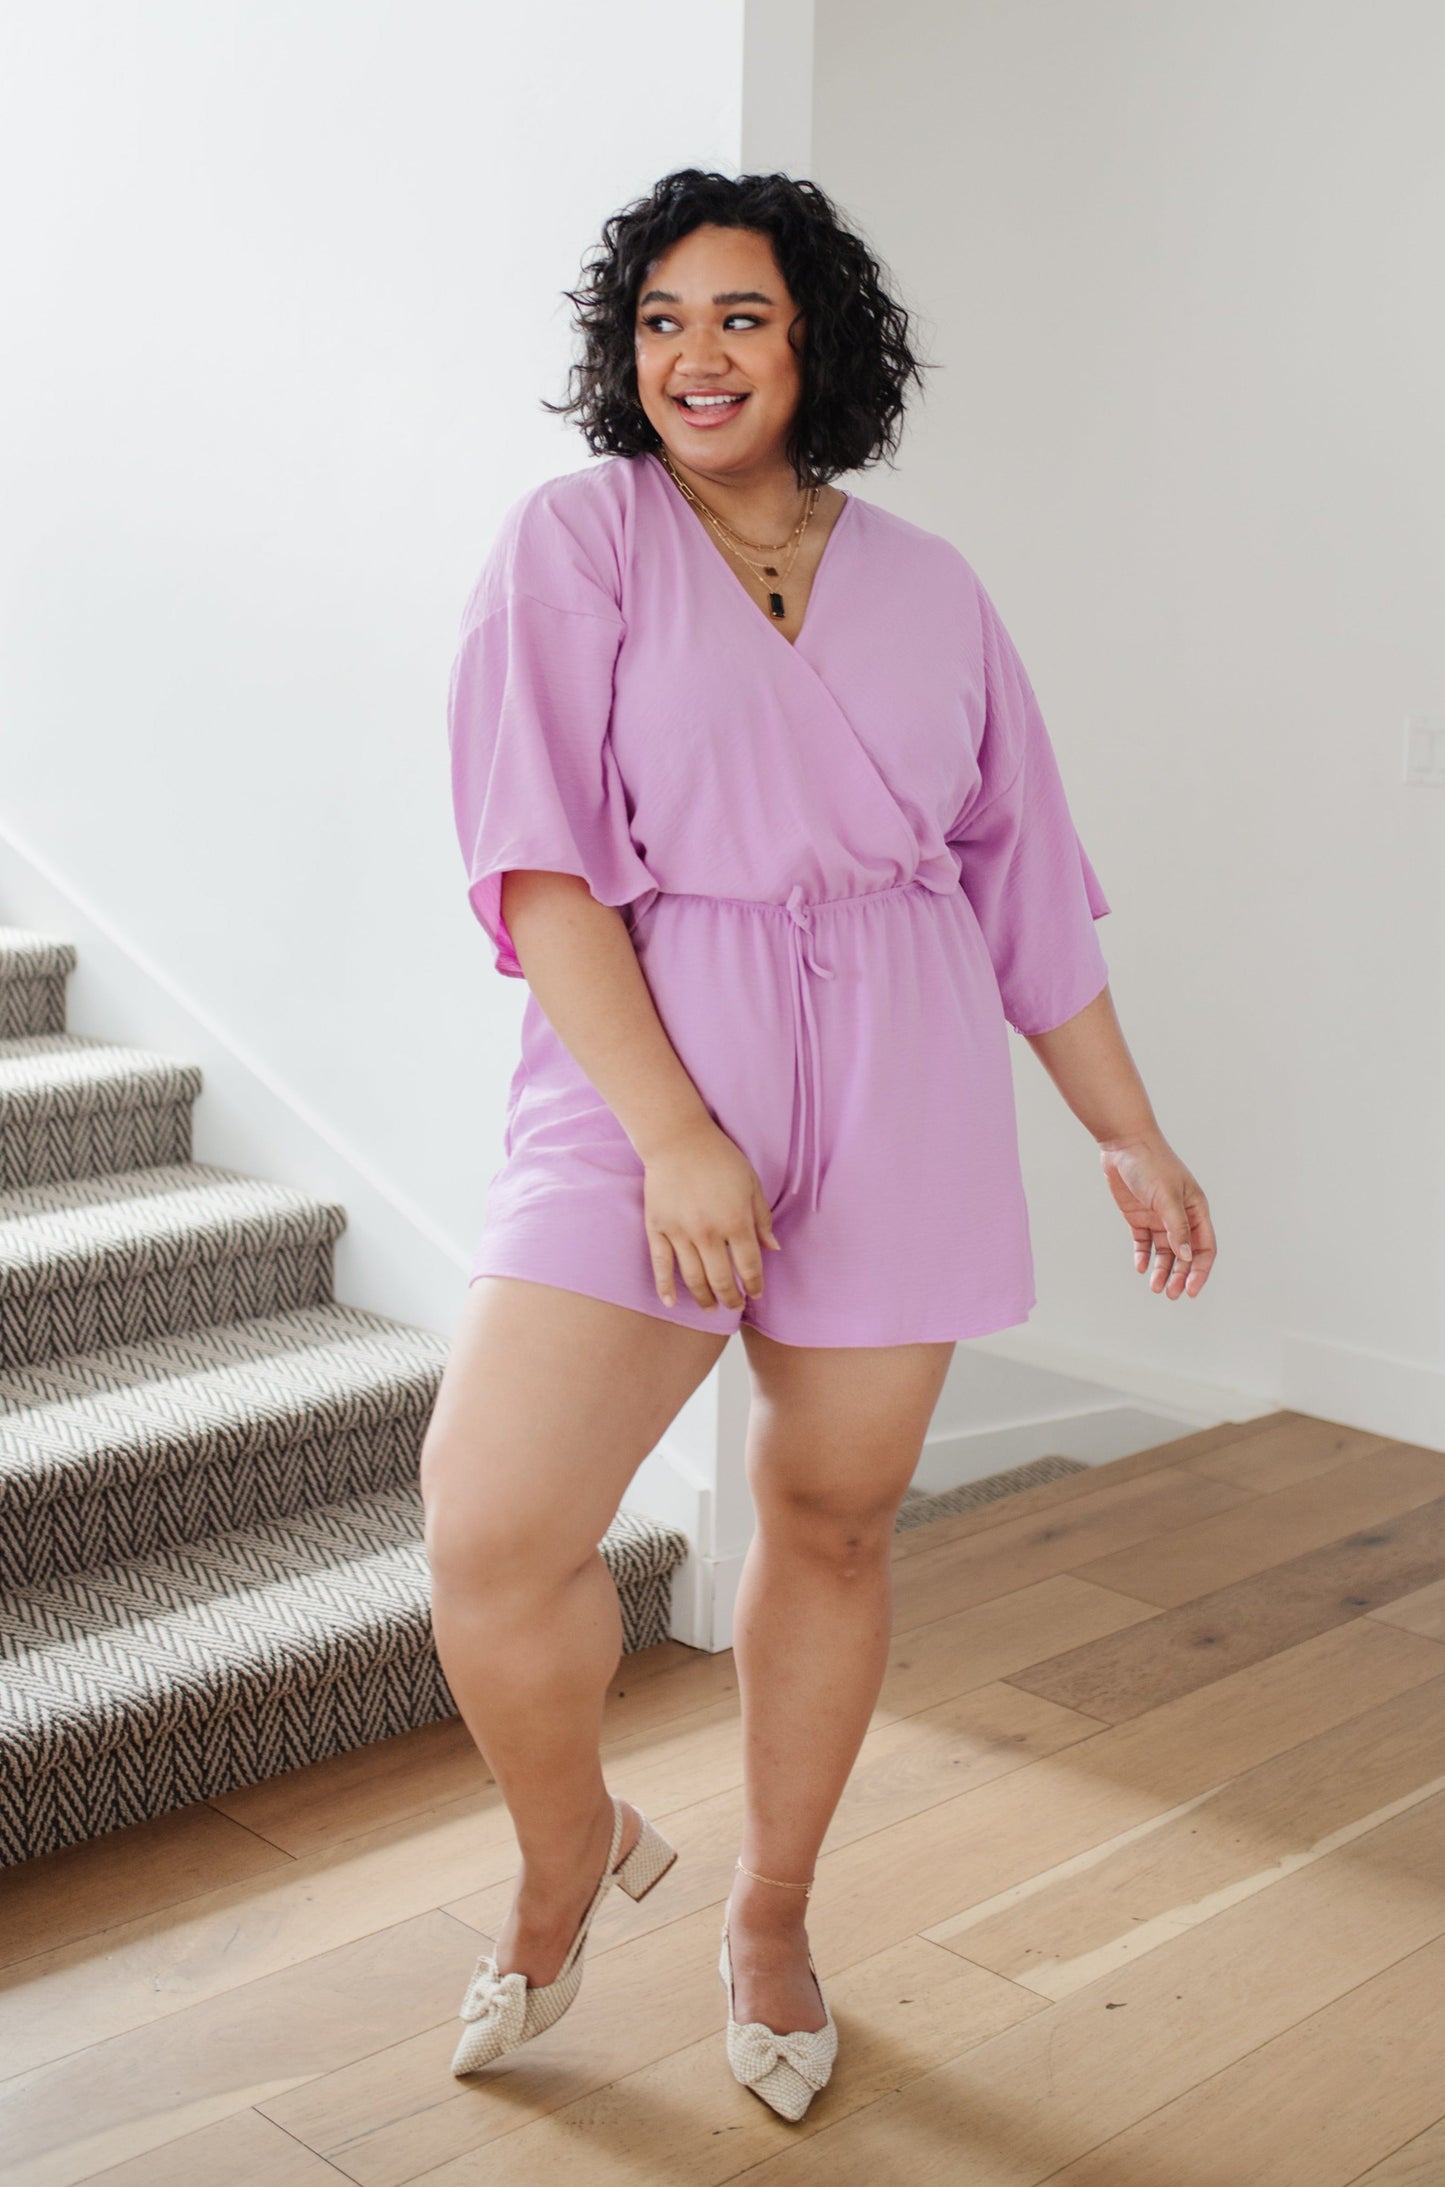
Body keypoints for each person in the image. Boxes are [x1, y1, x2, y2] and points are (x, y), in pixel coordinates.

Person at [422, 167, 1217, 2115]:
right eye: (661, 320)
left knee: (838, 1517)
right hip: (645, 1065)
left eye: (741, 316)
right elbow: (539, 867)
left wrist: (1127, 1130)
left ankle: (769, 1914)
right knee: (493, 1524)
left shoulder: (933, 584)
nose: (695, 355)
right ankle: (565, 1851)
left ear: (814, 342)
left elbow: (1020, 881)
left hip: (902, 1069)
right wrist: (677, 1132)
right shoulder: (577, 541)